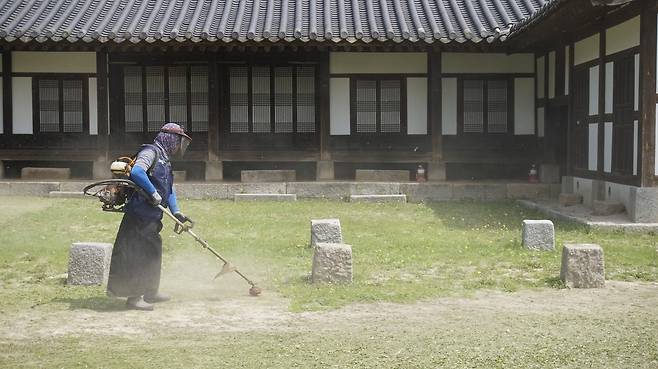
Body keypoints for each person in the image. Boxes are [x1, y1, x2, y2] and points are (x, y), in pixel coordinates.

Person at [107, 122, 193, 311]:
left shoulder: (165, 159)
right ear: (169, 138)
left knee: (153, 252)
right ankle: (134, 298)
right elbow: (137, 172)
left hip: (153, 218)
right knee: (138, 254)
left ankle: (150, 291)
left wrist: (176, 210)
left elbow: (168, 189)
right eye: (178, 141)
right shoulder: (151, 152)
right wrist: (152, 192)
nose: (179, 146)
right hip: (138, 215)